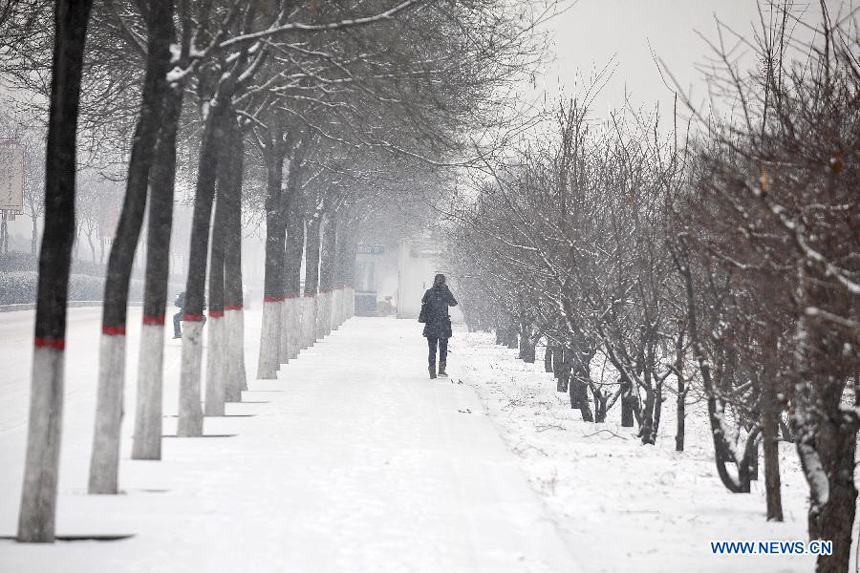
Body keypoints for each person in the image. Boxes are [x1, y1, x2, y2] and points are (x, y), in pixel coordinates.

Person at [419, 273, 458, 379]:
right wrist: (447, 291)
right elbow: (454, 303)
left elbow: (423, 303)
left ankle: (432, 370)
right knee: (443, 348)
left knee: (432, 349)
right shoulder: (445, 293)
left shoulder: (429, 292)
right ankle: (441, 369)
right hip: (443, 325)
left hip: (431, 325)